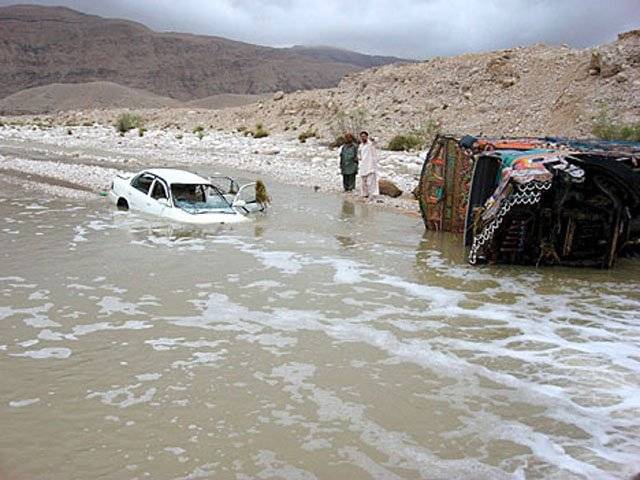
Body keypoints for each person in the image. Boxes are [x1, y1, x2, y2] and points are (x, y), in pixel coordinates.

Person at [357, 131, 379, 198]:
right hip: (363, 165)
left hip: (371, 165)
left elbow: (376, 140)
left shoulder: (371, 144)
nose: (363, 138)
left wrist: (373, 139)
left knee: (371, 181)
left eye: (364, 136)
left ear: (367, 136)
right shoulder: (361, 145)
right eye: (361, 136)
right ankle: (365, 194)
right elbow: (359, 155)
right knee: (363, 181)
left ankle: (372, 194)